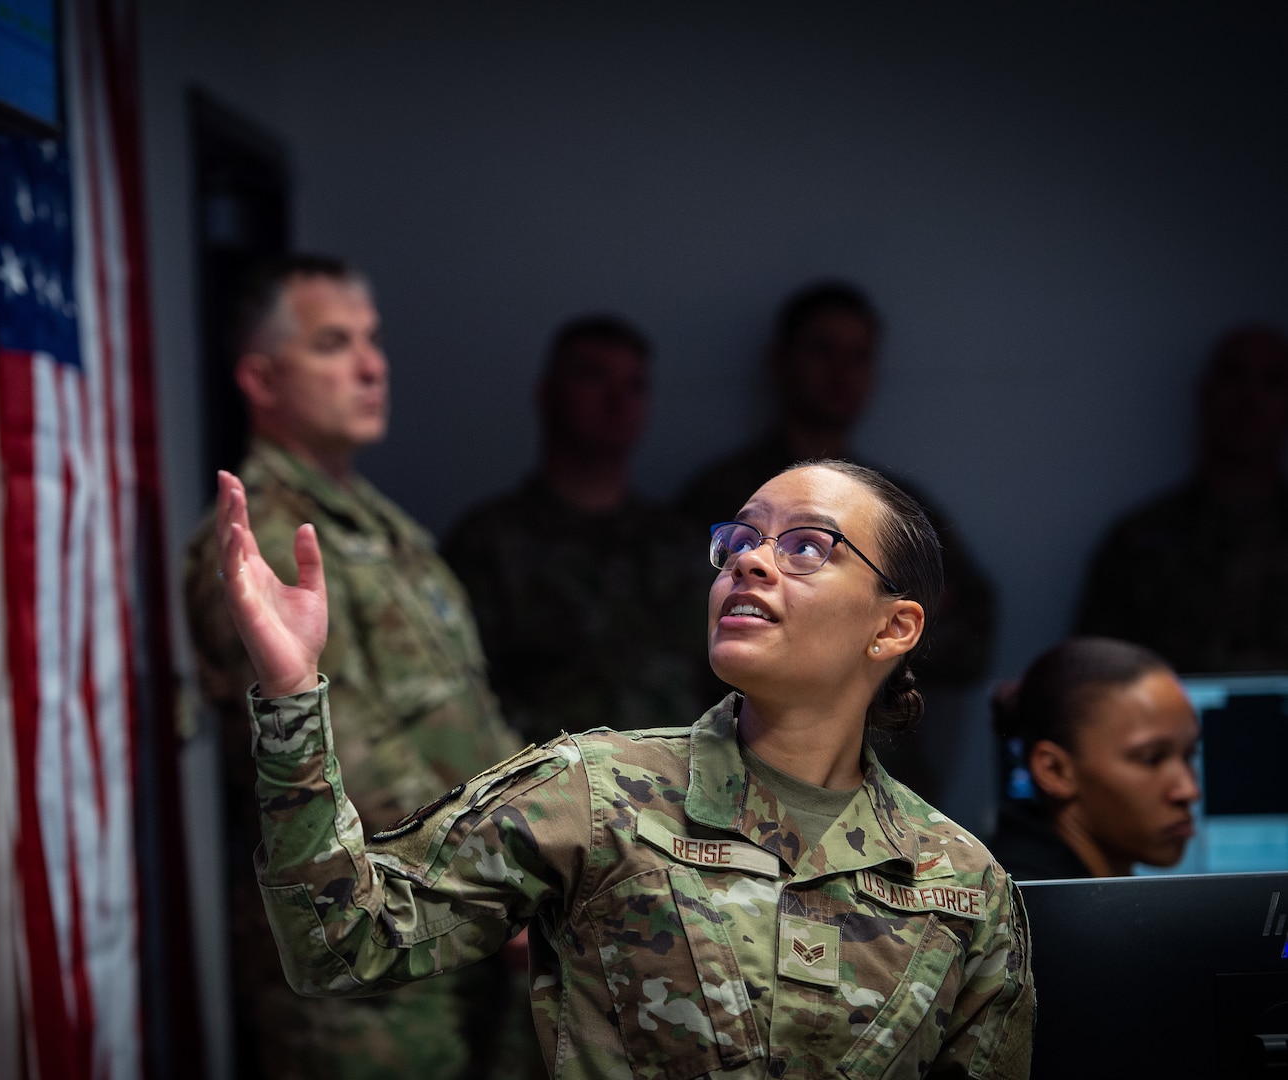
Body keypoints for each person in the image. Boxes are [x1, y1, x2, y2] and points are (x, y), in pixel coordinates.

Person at [214, 458, 1035, 1079]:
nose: (749, 562)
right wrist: (290, 694)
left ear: (894, 629)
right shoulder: (594, 792)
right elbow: (340, 941)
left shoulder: (962, 886)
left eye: (808, 547)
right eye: (740, 540)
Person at [181, 254, 523, 1079]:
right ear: (262, 380)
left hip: (463, 914)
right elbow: (350, 751)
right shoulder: (261, 541)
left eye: (371, 340)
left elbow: (467, 713)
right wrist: (506, 881)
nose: (372, 365)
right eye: (334, 344)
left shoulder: (377, 522)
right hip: (362, 951)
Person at [674, 281, 995, 687]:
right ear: (779, 361)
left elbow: (973, 639)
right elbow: (687, 632)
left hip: (875, 735)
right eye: (822, 350)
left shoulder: (895, 504)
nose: (841, 371)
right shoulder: (725, 493)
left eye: (859, 356)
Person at [441, 315, 715, 743]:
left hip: (679, 790)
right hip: (543, 794)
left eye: (635, 386)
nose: (616, 400)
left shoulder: (680, 543)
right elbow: (461, 702)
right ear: (547, 395)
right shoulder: (490, 543)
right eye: (593, 377)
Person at [1076, 325, 1288, 672]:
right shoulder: (1139, 542)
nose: (1250, 400)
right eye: (1234, 377)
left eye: (1272, 381)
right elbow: (1093, 687)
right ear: (1206, 393)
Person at [990, 638, 1201, 880]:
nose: (1189, 791)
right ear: (1054, 770)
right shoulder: (1024, 909)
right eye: (1151, 759)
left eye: (1190, 755)